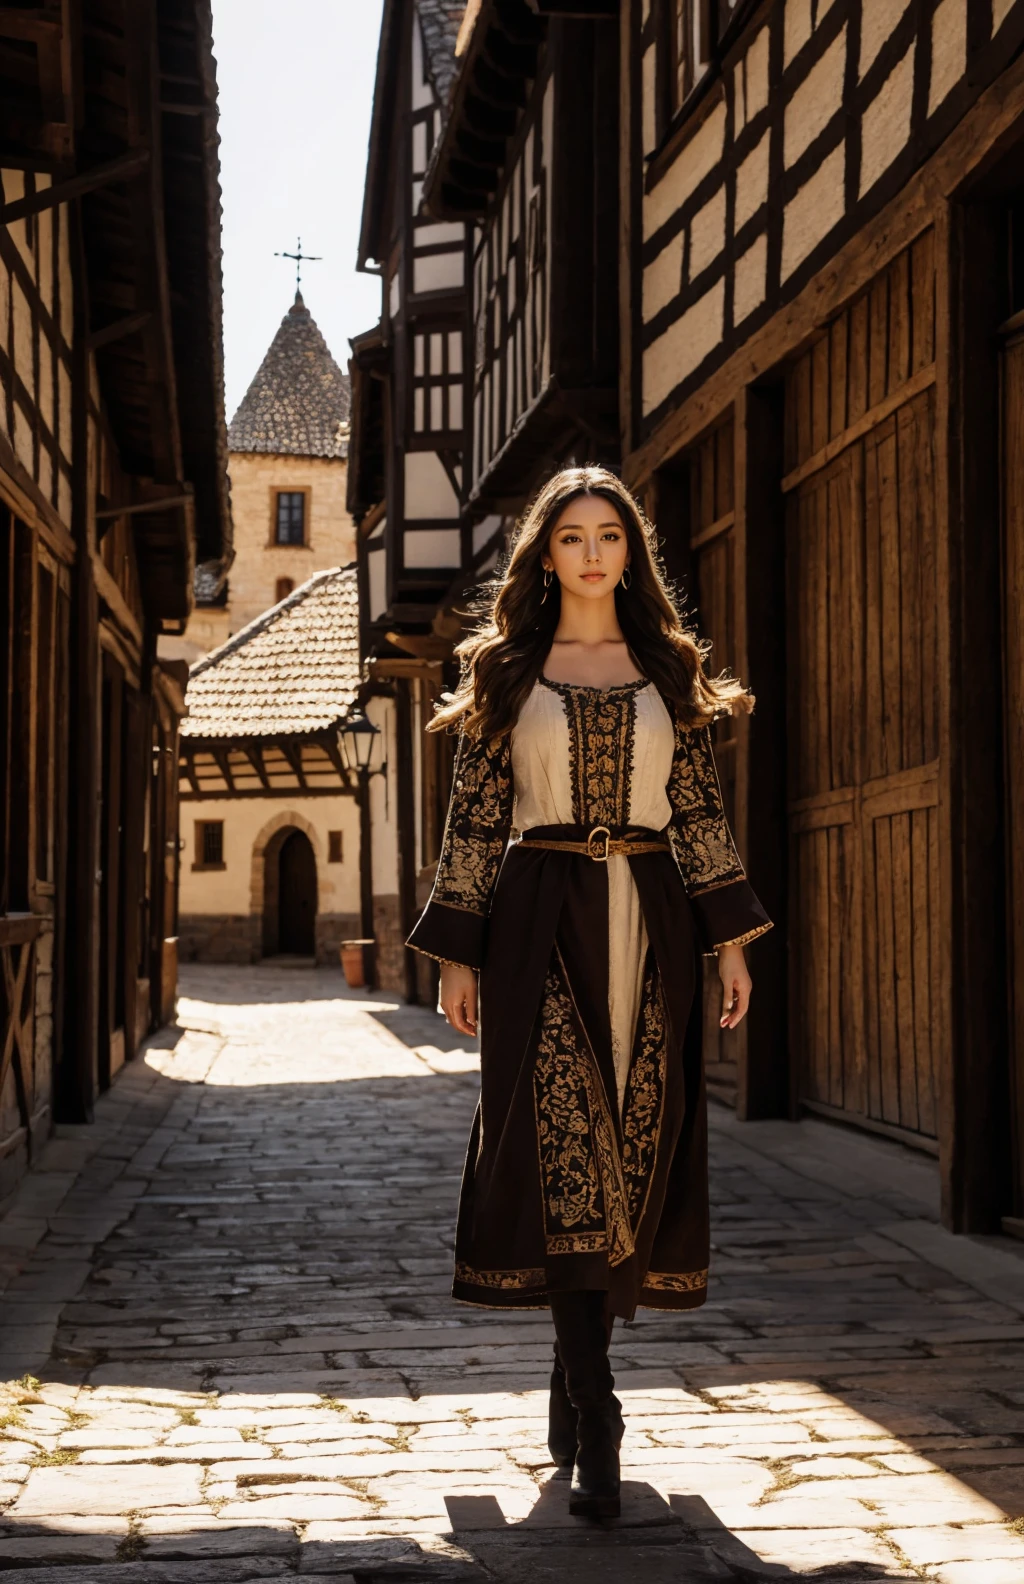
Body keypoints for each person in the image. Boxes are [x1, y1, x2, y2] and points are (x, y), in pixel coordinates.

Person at [407, 465, 771, 1519]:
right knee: (563, 1143)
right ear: (545, 554)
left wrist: (731, 946)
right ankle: (600, 1411)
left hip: (653, 922)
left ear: (631, 551)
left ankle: (573, 1379)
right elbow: (476, 819)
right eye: (571, 536)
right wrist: (458, 956)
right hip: (535, 924)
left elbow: (698, 814)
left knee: (639, 1143)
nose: (593, 552)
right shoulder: (506, 670)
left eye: (610, 533)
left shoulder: (667, 666)